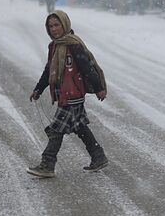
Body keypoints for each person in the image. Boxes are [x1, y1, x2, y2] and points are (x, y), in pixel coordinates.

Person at [27, 10, 108, 178]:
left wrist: (99, 87)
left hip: (72, 94)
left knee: (56, 130)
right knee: (79, 126)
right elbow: (49, 70)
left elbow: (87, 68)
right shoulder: (55, 46)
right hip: (64, 93)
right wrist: (38, 89)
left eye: (57, 25)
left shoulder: (73, 44)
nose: (54, 29)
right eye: (51, 26)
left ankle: (47, 164)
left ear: (65, 24)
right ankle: (98, 156)